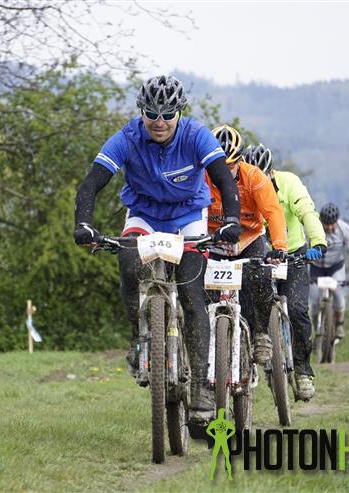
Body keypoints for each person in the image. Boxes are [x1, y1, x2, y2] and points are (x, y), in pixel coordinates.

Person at [73, 75, 242, 426]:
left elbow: (224, 180)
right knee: (128, 260)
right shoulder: (127, 137)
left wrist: (231, 220)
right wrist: (84, 223)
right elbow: (92, 182)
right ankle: (139, 340)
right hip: (144, 215)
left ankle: (201, 387)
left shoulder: (196, 135)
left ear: (179, 112)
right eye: (151, 114)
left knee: (193, 295)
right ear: (142, 112)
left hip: (188, 216)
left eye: (167, 114)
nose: (159, 121)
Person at [243, 143, 327, 401]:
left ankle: (302, 370)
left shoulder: (290, 183)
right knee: (247, 306)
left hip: (293, 255)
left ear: (271, 172)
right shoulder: (243, 188)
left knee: (298, 310)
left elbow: (306, 211)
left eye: (264, 175)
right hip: (259, 257)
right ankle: (249, 356)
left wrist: (317, 242)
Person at [206, 125, 288, 365]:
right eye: (218, 165)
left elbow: (273, 212)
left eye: (230, 165)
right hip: (213, 240)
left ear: (239, 161)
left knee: (260, 277)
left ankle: (260, 333)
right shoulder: (201, 177)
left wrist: (279, 246)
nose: (223, 171)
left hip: (249, 238)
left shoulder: (254, 177)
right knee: (197, 284)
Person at [309, 203, 349, 344]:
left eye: (332, 224)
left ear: (337, 221)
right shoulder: (313, 228)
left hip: (335, 267)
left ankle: (339, 324)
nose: (329, 227)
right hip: (316, 267)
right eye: (326, 224)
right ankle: (316, 324)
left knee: (338, 293)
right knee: (314, 300)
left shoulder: (345, 229)